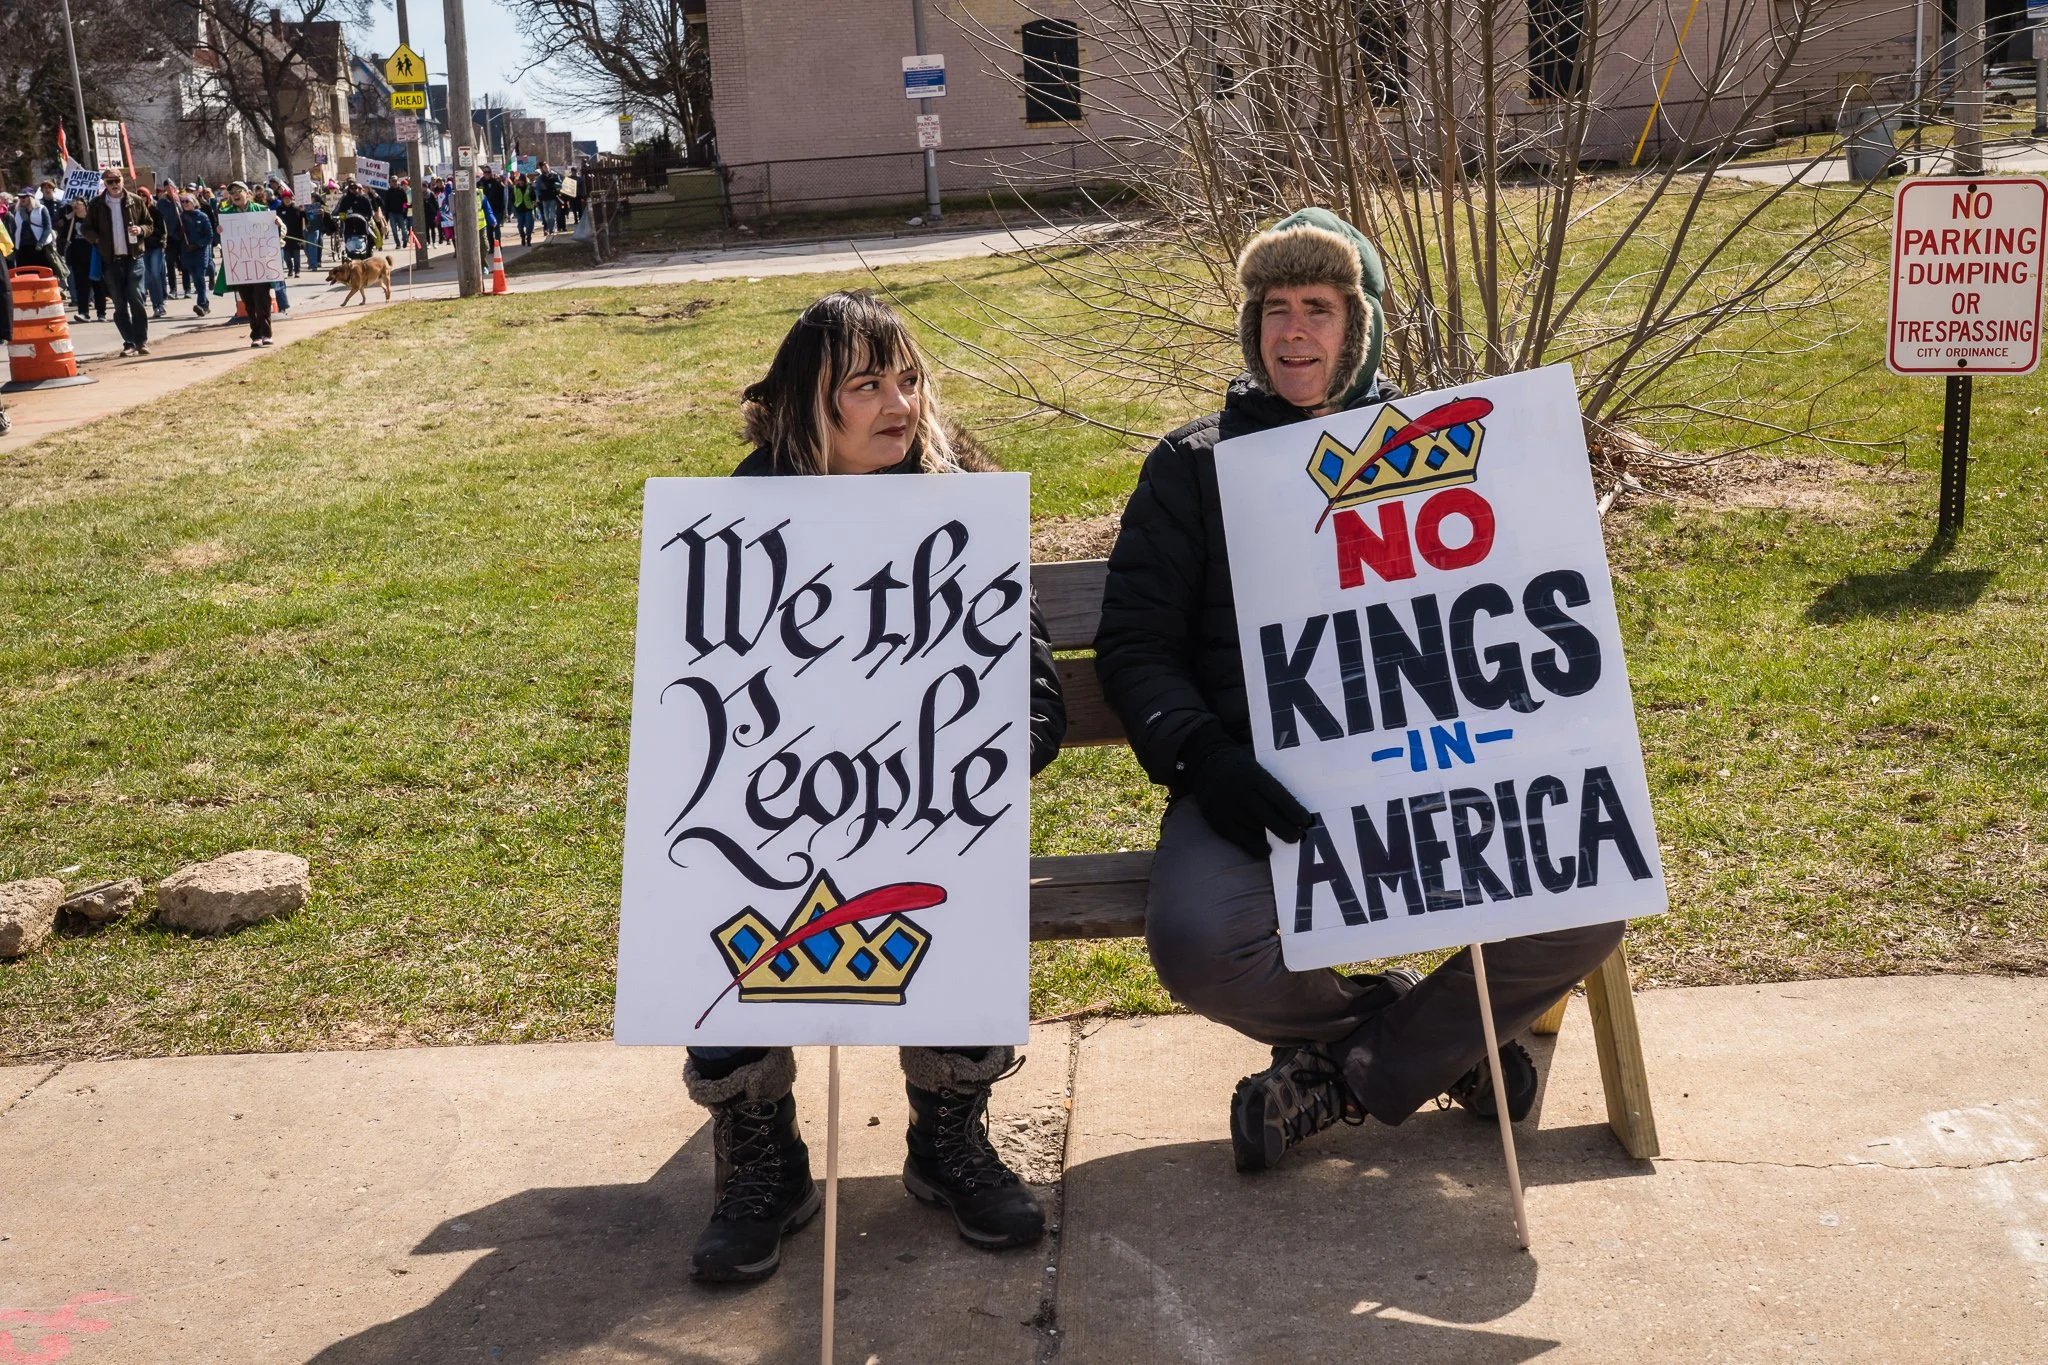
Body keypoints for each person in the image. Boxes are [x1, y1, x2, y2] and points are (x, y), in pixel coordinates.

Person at [1093, 208, 1627, 1174]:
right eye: (1275, 308)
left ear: (1363, 325)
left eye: (1321, 308)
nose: (1293, 331)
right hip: (1263, 787)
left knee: (1591, 901)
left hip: (1433, 772)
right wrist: (1208, 760)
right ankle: (1428, 1043)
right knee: (1196, 940)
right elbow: (1136, 645)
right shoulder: (1191, 465)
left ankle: (1344, 1077)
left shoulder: (1446, 447)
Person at [684, 290, 1067, 1285]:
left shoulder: (959, 503)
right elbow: (707, 702)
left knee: (959, 880)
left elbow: (1026, 672)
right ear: (810, 405)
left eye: (908, 380)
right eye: (866, 384)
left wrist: (998, 747)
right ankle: (763, 1156)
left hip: (925, 803)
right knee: (713, 891)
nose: (897, 402)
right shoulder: (738, 520)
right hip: (788, 809)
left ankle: (946, 1137)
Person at [83, 167, 154, 356]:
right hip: (110, 260)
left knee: (136, 298)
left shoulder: (135, 201)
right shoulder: (97, 204)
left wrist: (140, 230)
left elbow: (149, 224)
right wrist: (97, 239)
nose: (114, 185)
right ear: (104, 184)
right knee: (120, 304)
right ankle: (129, 342)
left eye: (117, 180)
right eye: (109, 181)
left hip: (134, 258)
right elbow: (86, 228)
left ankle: (141, 341)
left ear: (123, 181)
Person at [218, 182, 280, 348]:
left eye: (238, 191)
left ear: (247, 193)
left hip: (260, 264)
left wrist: (277, 224)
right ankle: (255, 335)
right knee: (249, 302)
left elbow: (275, 229)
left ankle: (266, 334)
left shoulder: (261, 210)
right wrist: (220, 231)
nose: (235, 195)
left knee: (262, 300)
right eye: (231, 192)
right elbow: (221, 240)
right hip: (240, 265)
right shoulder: (225, 214)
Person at [61, 200, 105, 323]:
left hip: (94, 255)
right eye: (73, 202)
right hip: (77, 257)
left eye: (78, 202)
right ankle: (83, 312)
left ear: (85, 205)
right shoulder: (70, 220)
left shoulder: (93, 219)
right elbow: (62, 234)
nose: (75, 205)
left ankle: (101, 312)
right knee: (81, 285)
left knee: (97, 284)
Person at [178, 194, 215, 317]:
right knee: (196, 281)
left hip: (200, 253)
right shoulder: (181, 217)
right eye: (182, 201)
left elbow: (209, 236)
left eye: (187, 201)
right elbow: (175, 235)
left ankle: (201, 304)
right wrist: (180, 231)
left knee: (199, 277)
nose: (185, 203)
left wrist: (198, 245)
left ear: (194, 202)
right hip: (188, 253)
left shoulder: (202, 216)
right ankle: (205, 304)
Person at [9, 185, 59, 273]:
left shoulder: (41, 209)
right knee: (24, 274)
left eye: (24, 196)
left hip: (39, 247)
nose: (21, 199)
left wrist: (41, 243)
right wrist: (14, 246)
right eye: (20, 197)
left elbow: (47, 228)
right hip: (23, 247)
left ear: (31, 197)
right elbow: (14, 230)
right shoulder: (17, 211)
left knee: (42, 272)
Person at [510, 172, 536, 246]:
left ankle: (528, 238)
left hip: (528, 208)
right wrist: (514, 207)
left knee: (529, 225)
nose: (521, 182)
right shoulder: (515, 188)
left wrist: (532, 193)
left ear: (525, 181)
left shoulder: (530, 187)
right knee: (520, 226)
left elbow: (533, 198)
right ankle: (522, 236)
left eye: (523, 181)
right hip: (519, 209)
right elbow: (512, 199)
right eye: (520, 181)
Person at [536, 162, 560, 234]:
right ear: (542, 169)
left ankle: (551, 229)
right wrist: (538, 197)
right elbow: (537, 188)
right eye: (544, 167)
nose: (546, 168)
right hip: (544, 198)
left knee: (552, 215)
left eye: (547, 166)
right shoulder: (540, 178)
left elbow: (560, 183)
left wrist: (557, 185)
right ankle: (550, 228)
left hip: (553, 197)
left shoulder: (554, 175)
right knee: (546, 216)